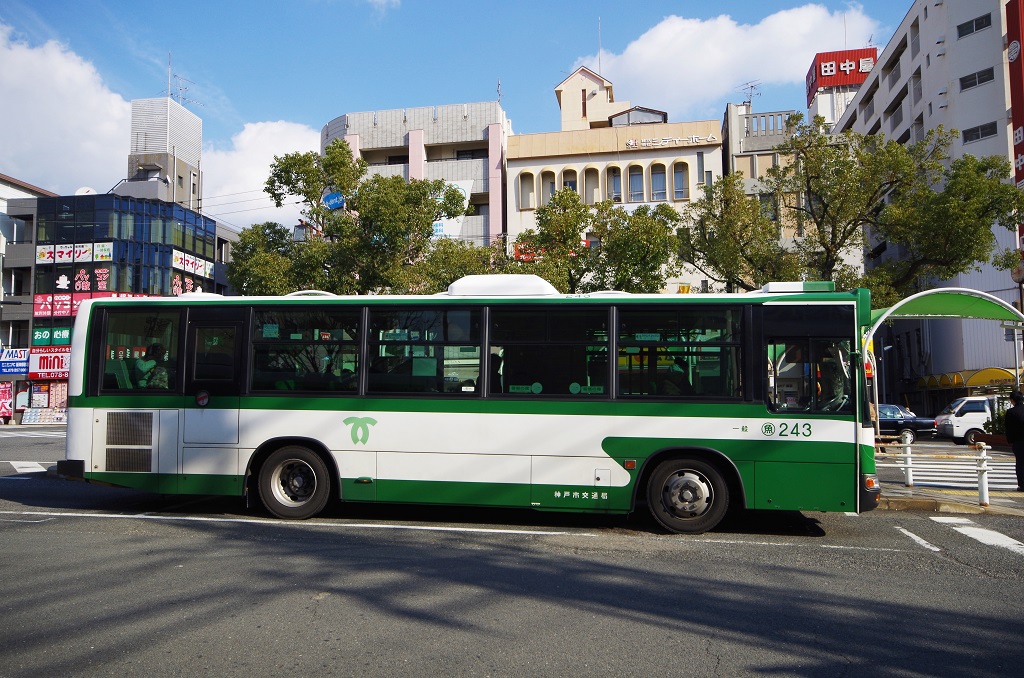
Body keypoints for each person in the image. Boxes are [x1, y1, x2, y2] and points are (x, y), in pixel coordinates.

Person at [1005, 390, 1024, 492]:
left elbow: (1008, 429)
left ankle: (1022, 485)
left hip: (1018, 441)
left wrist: (1010, 441)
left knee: (1020, 463)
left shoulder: (1011, 412)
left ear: (1012, 400)